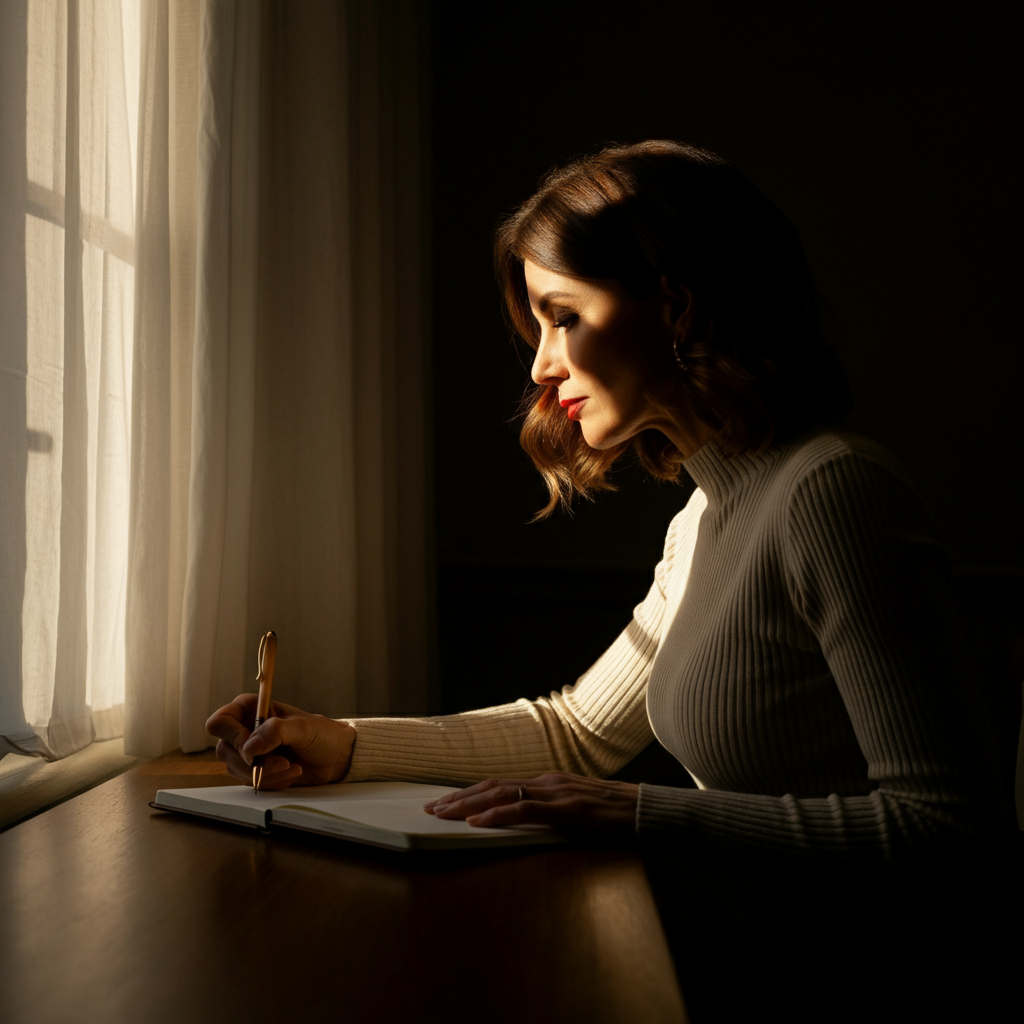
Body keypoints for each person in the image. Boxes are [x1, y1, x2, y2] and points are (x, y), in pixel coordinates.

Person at [206, 140, 1001, 865]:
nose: (542, 369)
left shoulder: (831, 493)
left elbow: (950, 829)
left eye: (564, 318)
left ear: (677, 306)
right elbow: (578, 734)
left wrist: (646, 814)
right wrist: (342, 744)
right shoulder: (704, 518)